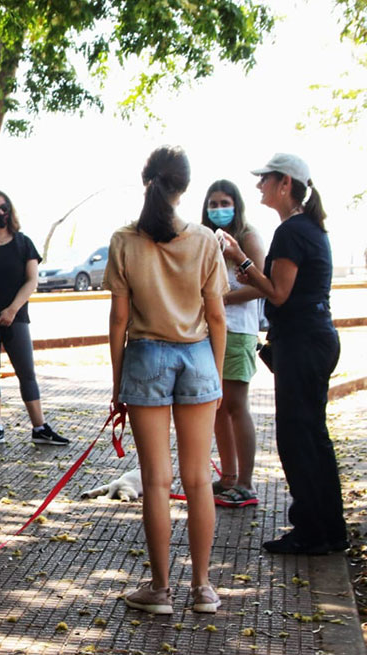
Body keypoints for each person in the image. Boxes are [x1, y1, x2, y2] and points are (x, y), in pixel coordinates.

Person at [104, 146, 227, 615]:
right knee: (198, 480)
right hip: (198, 357)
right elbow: (216, 316)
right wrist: (214, 377)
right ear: (184, 187)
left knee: (156, 481)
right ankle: (203, 589)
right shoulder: (204, 241)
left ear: (147, 182)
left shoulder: (124, 240)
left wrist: (118, 384)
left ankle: (160, 589)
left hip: (146, 356)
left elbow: (118, 321)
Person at [221, 153, 347, 555]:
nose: (259, 186)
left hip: (303, 343)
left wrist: (239, 257)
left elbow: (277, 293)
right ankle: (328, 529)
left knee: (298, 438)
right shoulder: (308, 228)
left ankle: (312, 532)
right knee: (312, 436)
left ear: (285, 184)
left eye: (265, 180)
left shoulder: (293, 231)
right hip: (312, 339)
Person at [0, 190, 68, 448]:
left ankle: (39, 427)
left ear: (10, 209)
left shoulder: (23, 243)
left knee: (26, 372)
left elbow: (32, 280)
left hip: (16, 318)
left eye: (3, 208)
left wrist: (12, 309)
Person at [200, 180, 265, 508]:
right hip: (210, 333)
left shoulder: (248, 236)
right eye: (213, 203)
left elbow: (262, 285)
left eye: (224, 202)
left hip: (239, 333)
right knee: (218, 408)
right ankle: (228, 477)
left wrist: (222, 299)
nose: (218, 209)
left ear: (236, 204)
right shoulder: (204, 237)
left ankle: (246, 483)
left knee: (237, 406)